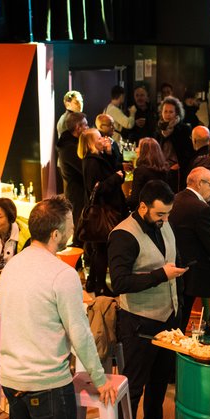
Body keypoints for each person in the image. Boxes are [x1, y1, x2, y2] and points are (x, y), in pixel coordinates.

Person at [0, 197, 116, 419]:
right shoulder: (62, 274)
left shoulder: (11, 266)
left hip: (11, 379)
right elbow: (80, 334)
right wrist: (100, 379)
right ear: (55, 234)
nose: (73, 230)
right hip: (47, 382)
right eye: (70, 225)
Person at [108, 180, 187, 419]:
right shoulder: (123, 235)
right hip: (138, 322)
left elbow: (171, 257)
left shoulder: (164, 224)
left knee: (160, 380)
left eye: (168, 214)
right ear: (143, 207)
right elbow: (119, 283)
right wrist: (160, 275)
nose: (165, 219)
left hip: (168, 316)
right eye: (160, 213)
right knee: (133, 386)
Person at [169, 167, 210, 329]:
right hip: (193, 272)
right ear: (199, 184)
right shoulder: (201, 208)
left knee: (180, 317)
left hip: (172, 266)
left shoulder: (174, 199)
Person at [80, 128, 127, 296]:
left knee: (99, 249)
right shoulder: (91, 162)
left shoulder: (100, 158)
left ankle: (92, 282)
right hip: (102, 212)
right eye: (99, 138)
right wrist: (115, 178)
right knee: (101, 250)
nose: (104, 139)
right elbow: (96, 188)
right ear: (91, 143)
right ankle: (100, 286)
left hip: (106, 209)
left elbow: (116, 170)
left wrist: (109, 153)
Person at [55, 111, 88, 235]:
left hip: (79, 192)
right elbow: (84, 168)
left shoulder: (72, 144)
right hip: (77, 194)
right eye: (86, 125)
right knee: (79, 229)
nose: (88, 127)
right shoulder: (69, 148)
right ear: (78, 127)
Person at [156, 96, 194, 191]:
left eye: (171, 112)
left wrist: (179, 164)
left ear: (177, 113)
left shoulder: (184, 129)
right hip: (160, 168)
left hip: (176, 170)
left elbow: (188, 151)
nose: (168, 115)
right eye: (165, 111)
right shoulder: (158, 129)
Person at [128, 137, 169, 210]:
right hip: (161, 209)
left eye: (138, 147)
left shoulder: (140, 171)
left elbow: (135, 200)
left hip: (145, 211)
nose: (136, 150)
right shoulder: (165, 170)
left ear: (144, 151)